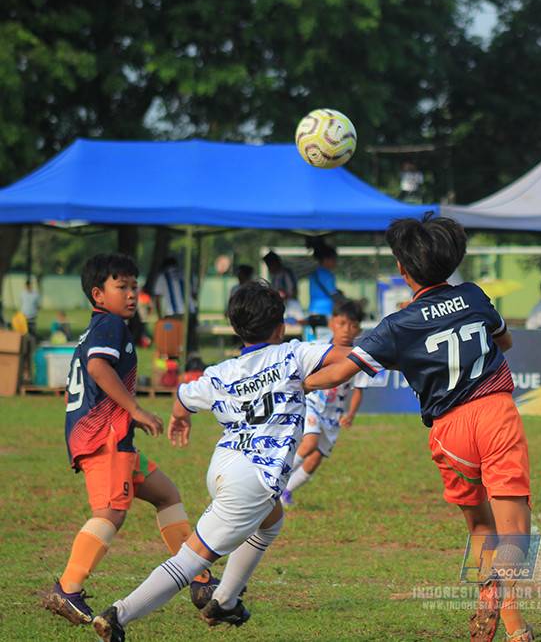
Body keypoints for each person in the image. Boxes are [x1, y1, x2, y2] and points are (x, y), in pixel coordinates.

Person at [301, 213, 535, 642]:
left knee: (480, 525)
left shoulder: (397, 326)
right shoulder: (474, 295)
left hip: (449, 429)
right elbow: (506, 341)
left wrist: (296, 383)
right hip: (495, 411)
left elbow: (337, 375)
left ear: (402, 270)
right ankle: (516, 625)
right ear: (452, 257)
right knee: (514, 526)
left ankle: (501, 606)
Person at [92, 279, 338, 641]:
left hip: (224, 466)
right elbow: (341, 359)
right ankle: (118, 615)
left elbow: (182, 398)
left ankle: (225, 600)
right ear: (282, 328)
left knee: (271, 521)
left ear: (237, 330)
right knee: (192, 560)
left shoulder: (220, 373)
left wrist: (180, 417)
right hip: (251, 479)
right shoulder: (292, 355)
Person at [42, 254, 214, 627]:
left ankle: (200, 580)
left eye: (135, 286)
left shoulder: (104, 326)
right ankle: (67, 588)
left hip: (117, 441)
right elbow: (98, 366)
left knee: (166, 494)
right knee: (111, 512)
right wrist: (135, 409)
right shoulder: (110, 325)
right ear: (98, 294)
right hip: (104, 438)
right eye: (122, 287)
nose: (133, 294)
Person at [281, 301, 367, 506]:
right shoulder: (318, 347)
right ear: (331, 325)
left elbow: (359, 390)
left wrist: (351, 414)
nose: (347, 330)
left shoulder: (361, 357)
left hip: (333, 414)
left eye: (352, 325)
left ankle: (285, 492)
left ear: (359, 330)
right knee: (309, 443)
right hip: (312, 403)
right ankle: (273, 480)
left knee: (316, 458)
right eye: (342, 323)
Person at [153, 256, 198, 354]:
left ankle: (175, 363)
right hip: (190, 313)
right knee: (190, 342)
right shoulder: (188, 274)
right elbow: (195, 295)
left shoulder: (163, 276)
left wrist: (160, 317)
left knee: (173, 343)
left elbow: (157, 299)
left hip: (174, 315)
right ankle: (192, 361)